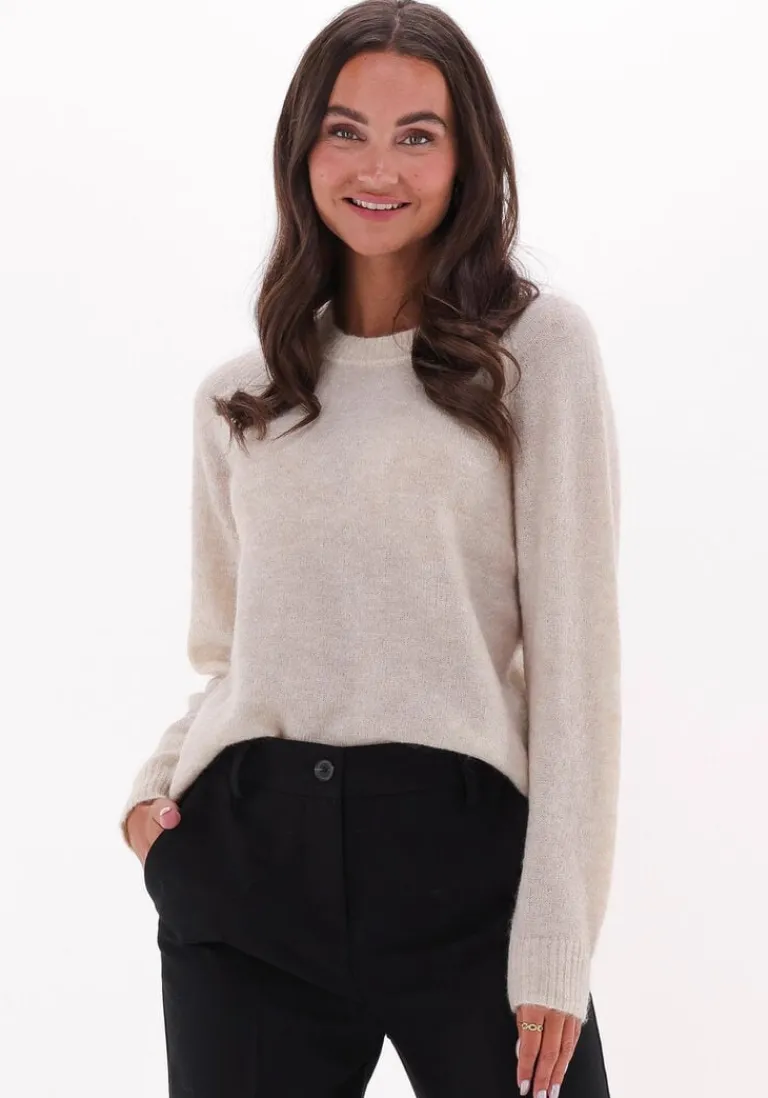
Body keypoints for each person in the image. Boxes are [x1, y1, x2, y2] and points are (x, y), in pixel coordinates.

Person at [120, 2, 621, 1096]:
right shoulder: (240, 397)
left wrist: (557, 936)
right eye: (345, 130)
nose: (377, 168)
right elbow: (226, 654)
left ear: (467, 156)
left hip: (465, 877)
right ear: (302, 149)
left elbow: (577, 662)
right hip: (247, 884)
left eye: (417, 135)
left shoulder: (536, 353)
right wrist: (156, 804)